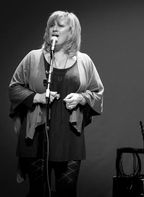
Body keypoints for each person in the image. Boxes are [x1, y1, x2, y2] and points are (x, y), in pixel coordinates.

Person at [8, 10, 104, 197]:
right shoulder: (33, 57)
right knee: (38, 191)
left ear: (72, 31)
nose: (54, 29)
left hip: (69, 138)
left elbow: (97, 93)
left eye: (60, 26)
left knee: (67, 192)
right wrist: (37, 97)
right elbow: (14, 88)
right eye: (51, 25)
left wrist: (81, 98)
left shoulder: (84, 61)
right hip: (36, 136)